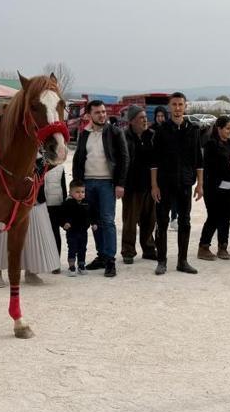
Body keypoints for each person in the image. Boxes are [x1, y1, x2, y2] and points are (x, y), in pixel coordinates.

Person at [71, 100, 129, 278]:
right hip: (88, 184)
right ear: (89, 115)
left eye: (103, 111)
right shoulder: (84, 134)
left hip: (107, 184)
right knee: (94, 222)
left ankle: (110, 260)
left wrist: (120, 183)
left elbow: (124, 158)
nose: (102, 115)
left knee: (107, 221)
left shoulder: (115, 132)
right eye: (97, 112)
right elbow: (78, 159)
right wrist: (76, 185)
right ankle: (101, 256)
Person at [150, 92, 204, 275]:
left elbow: (199, 160)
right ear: (169, 107)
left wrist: (200, 184)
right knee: (162, 222)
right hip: (164, 183)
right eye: (174, 104)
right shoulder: (161, 130)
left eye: (181, 104)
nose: (178, 108)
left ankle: (182, 261)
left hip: (186, 183)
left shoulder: (193, 130)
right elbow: (154, 162)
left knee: (185, 222)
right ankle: (162, 261)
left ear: (185, 106)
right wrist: (154, 185)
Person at [0, 158, 60, 286]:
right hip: (5, 191)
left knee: (33, 234)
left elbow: (54, 159)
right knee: (2, 233)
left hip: (33, 194)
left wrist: (41, 164)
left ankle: (31, 271)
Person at [197, 115, 230, 261]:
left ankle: (223, 246)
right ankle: (203, 246)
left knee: (226, 218)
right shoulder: (211, 144)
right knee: (214, 217)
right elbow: (219, 168)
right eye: (227, 128)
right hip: (214, 188)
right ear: (219, 128)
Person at [121, 105, 157, 264]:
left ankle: (149, 249)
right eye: (141, 117)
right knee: (130, 221)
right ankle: (128, 251)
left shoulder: (153, 136)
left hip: (151, 185)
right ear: (132, 121)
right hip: (132, 186)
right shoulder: (124, 137)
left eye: (145, 117)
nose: (145, 120)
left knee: (150, 220)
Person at [62, 179, 95, 276]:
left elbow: (91, 215)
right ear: (70, 192)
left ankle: (81, 265)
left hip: (83, 231)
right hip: (72, 231)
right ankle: (71, 267)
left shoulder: (87, 203)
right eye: (77, 192)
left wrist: (94, 223)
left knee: (82, 248)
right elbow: (62, 215)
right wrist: (65, 223)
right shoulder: (67, 203)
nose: (80, 194)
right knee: (72, 248)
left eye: (82, 192)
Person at [43, 161, 67, 274]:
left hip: (56, 205)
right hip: (41, 204)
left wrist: (64, 206)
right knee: (42, 235)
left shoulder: (60, 168)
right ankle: (43, 262)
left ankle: (56, 262)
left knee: (55, 233)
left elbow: (64, 187)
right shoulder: (38, 165)